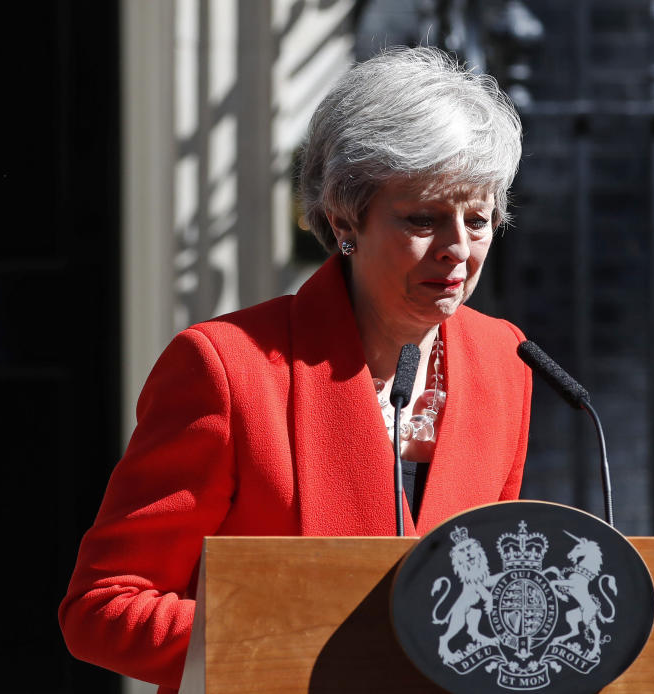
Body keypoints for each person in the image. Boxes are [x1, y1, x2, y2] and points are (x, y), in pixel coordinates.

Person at [59, 46, 531, 693]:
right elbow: (104, 610)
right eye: (421, 219)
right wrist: (301, 646)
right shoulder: (226, 368)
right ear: (345, 220)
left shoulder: (505, 359)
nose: (456, 249)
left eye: (477, 220)